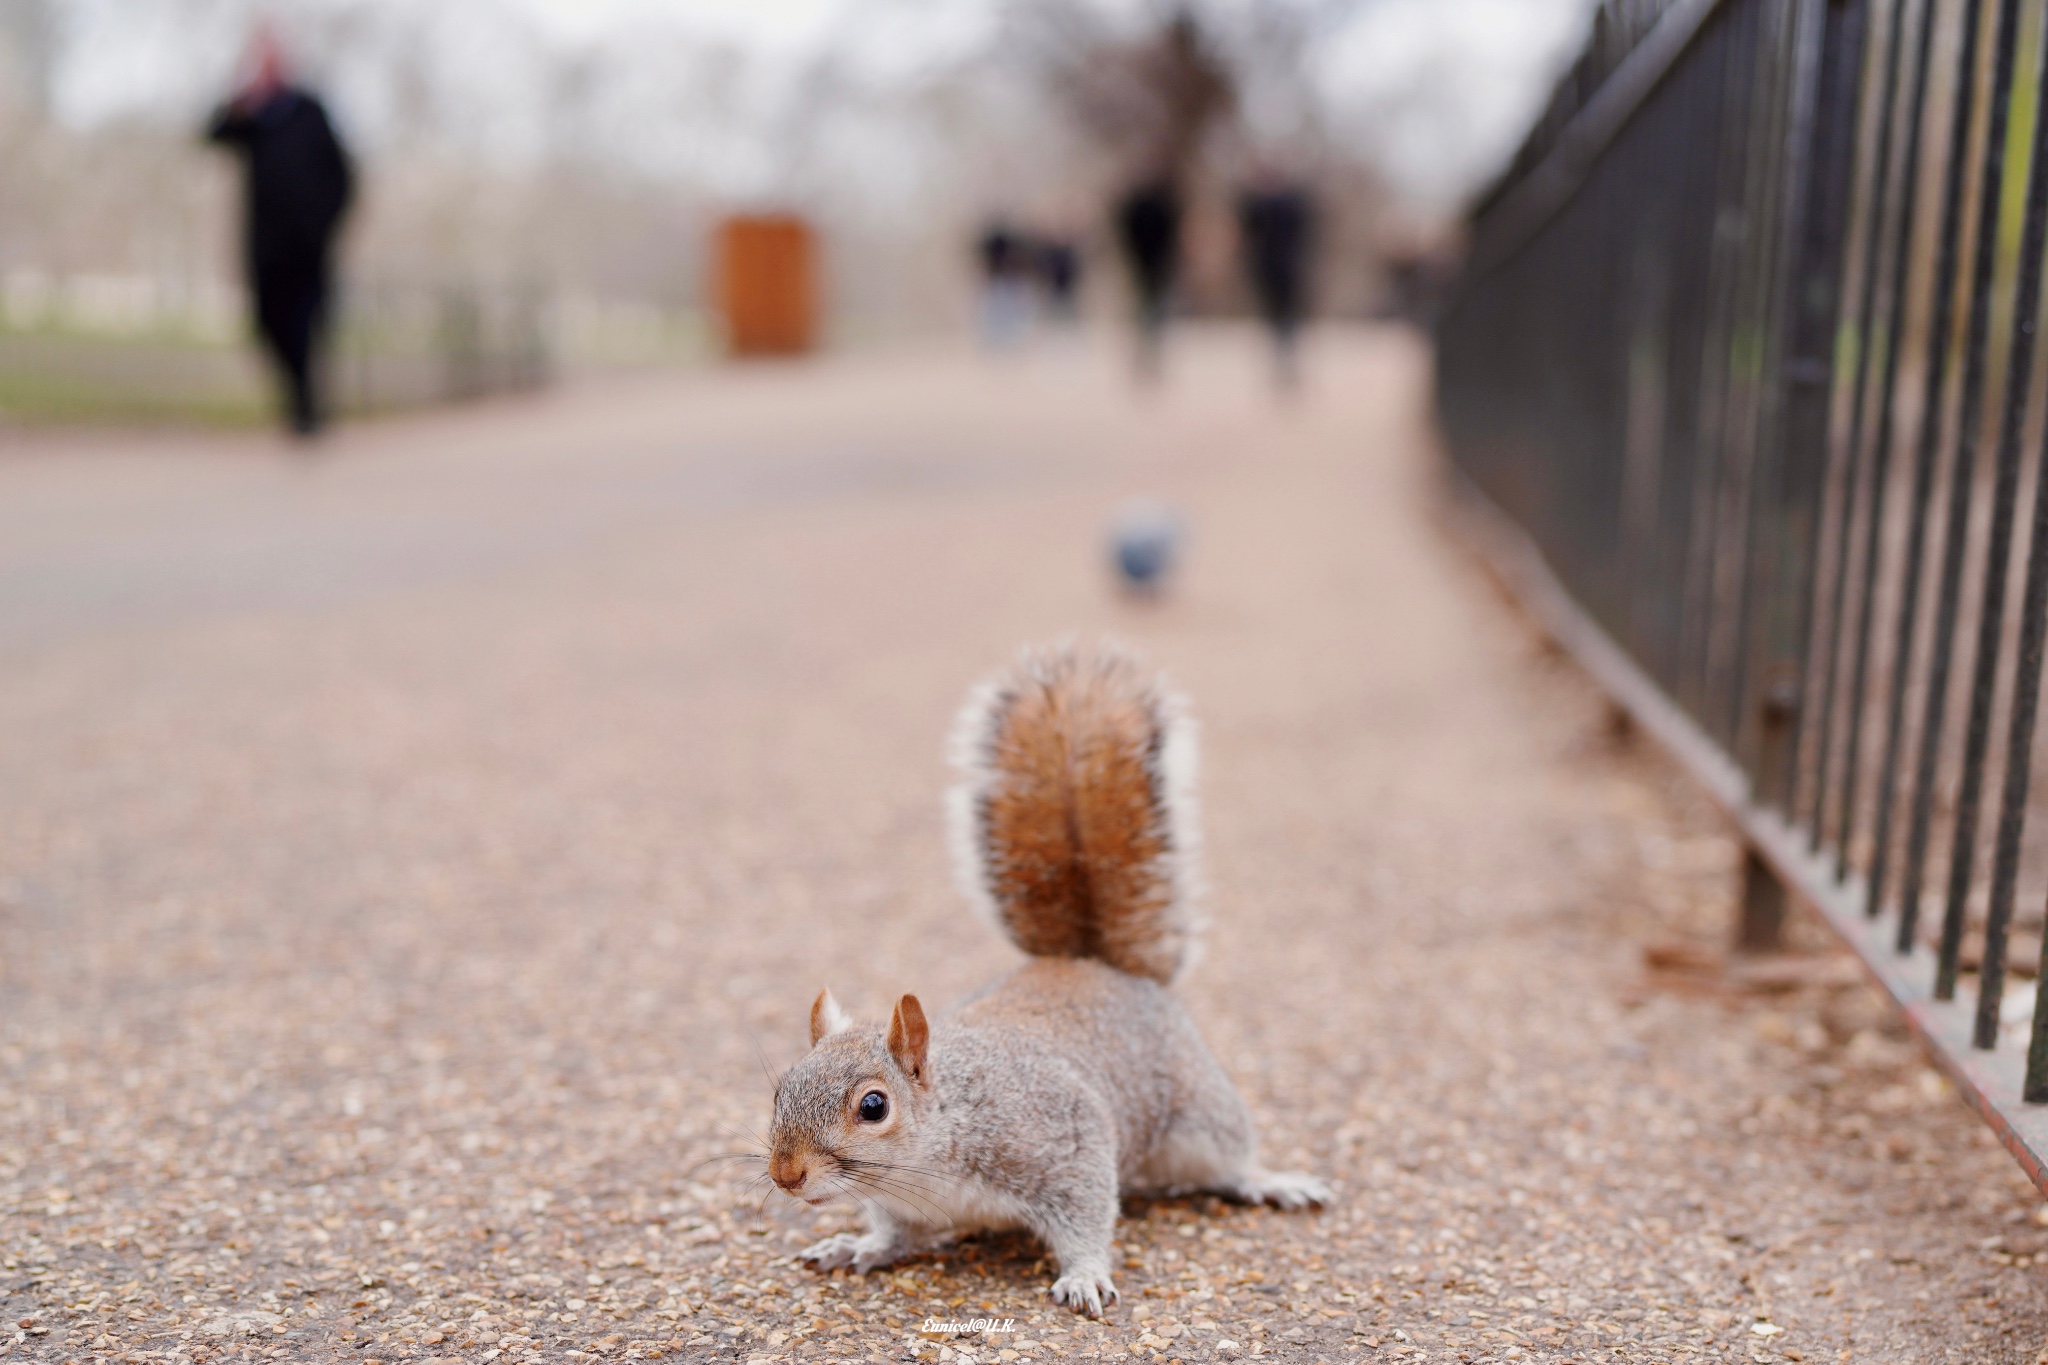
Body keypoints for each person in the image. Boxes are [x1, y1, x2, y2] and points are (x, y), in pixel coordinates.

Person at [206, 31, 354, 437]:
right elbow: (211, 134)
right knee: (266, 324)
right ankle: (300, 404)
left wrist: (325, 225)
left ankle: (306, 414)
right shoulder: (253, 115)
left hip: (308, 247)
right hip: (264, 246)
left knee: (307, 328)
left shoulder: (310, 111)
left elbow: (343, 175)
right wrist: (242, 94)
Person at [1237, 183, 1312, 390]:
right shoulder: (1262, 206)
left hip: (1285, 269)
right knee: (1277, 318)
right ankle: (1280, 359)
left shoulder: (1290, 206)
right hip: (1271, 269)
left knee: (1285, 318)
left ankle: (1285, 359)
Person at [1114, 182, 1181, 379]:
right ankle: (1146, 356)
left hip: (1153, 267)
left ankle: (1150, 356)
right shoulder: (1144, 207)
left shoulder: (1157, 206)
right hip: (1146, 267)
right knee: (1148, 313)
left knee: (1152, 313)